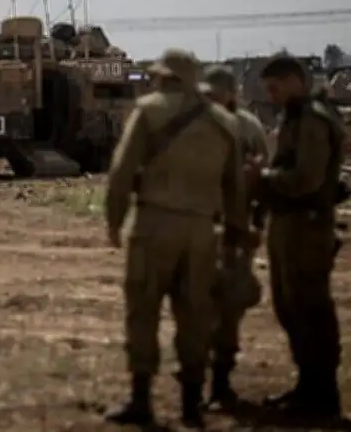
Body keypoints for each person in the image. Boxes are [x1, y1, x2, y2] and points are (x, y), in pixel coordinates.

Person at [104, 49, 248, 428]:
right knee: (195, 313)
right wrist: (236, 231)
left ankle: (141, 399)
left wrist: (114, 221)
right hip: (202, 230)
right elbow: (235, 186)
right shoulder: (224, 122)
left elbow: (121, 171)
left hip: (155, 222)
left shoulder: (149, 110)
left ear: (163, 76)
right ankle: (191, 403)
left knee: (143, 310)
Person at [247, 53, 344, 419]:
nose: (271, 96)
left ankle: (321, 395)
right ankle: (307, 387)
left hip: (307, 225)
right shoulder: (295, 117)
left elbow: (307, 178)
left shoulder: (312, 120)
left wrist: (262, 179)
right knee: (290, 307)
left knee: (309, 308)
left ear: (294, 81)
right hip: (290, 224)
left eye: (275, 88)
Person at [198, 66, 269, 408]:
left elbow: (262, 178)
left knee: (228, 306)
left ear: (231, 93)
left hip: (235, 228)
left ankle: (221, 382)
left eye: (217, 92)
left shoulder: (247, 127)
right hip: (200, 225)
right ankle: (196, 380)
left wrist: (257, 224)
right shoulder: (198, 124)